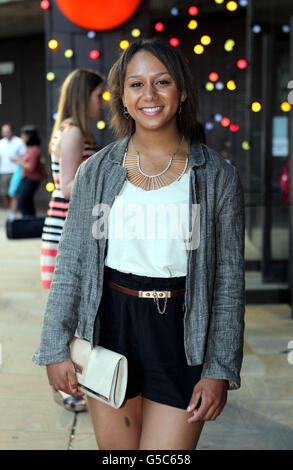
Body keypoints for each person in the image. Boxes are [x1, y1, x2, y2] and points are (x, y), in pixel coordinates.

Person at [33, 39, 245, 450]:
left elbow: (228, 283)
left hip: (182, 333)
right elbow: (72, 263)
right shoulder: (96, 172)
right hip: (111, 325)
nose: (149, 95)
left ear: (181, 92)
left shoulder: (217, 176)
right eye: (136, 85)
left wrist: (219, 368)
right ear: (124, 98)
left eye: (162, 82)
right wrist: (55, 346)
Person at [39, 69, 105, 412]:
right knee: (71, 312)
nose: (102, 102)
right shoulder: (74, 131)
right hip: (68, 228)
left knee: (75, 312)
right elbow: (66, 186)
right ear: (84, 96)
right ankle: (68, 386)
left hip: (68, 226)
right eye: (98, 96)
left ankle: (72, 382)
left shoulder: (72, 128)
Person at [10, 126, 42, 217]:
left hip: (31, 180)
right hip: (26, 179)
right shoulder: (30, 149)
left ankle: (28, 223)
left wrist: (17, 161)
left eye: (23, 135)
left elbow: (31, 167)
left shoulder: (34, 150)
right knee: (27, 203)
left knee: (22, 203)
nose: (22, 137)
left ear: (28, 136)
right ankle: (30, 223)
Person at [0, 123, 27, 220]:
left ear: (12, 131)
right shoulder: (1, 143)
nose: (5, 134)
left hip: (16, 172)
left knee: (14, 194)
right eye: (4, 132)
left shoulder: (19, 142)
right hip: (3, 172)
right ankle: (10, 211)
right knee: (5, 194)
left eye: (7, 131)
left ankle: (12, 216)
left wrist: (18, 161)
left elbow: (24, 156)